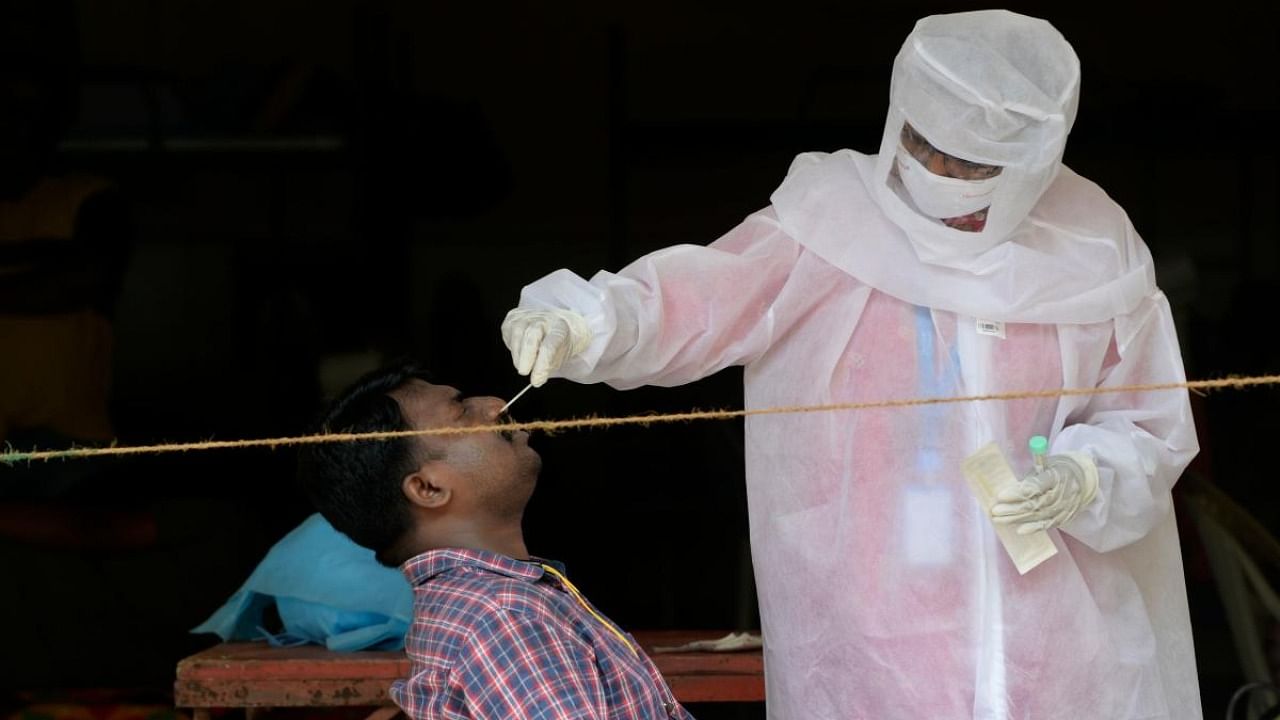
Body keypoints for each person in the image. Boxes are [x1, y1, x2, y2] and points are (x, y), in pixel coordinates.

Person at [500, 9, 1200, 720]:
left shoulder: (1092, 247)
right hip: (870, 649)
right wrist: (585, 321)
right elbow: (696, 299)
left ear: (1036, 163)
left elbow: (1148, 420)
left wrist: (1084, 475)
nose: (940, 174)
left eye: (974, 165)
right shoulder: (828, 222)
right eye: (925, 146)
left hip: (1060, 653)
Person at [297, 361, 695, 719]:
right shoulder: (503, 617)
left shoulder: (480, 605)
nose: (495, 404)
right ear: (429, 488)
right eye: (461, 410)